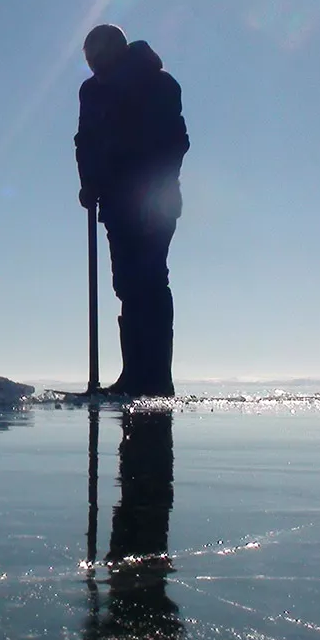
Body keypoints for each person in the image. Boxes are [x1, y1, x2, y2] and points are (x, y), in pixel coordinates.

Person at [75, 24, 190, 397]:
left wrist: (149, 187)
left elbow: (174, 142)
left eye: (97, 58)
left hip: (154, 202)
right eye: (88, 61)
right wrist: (89, 183)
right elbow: (86, 141)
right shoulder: (91, 91)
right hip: (115, 204)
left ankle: (156, 379)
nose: (93, 67)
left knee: (149, 282)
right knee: (127, 284)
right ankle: (133, 376)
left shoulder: (159, 84)